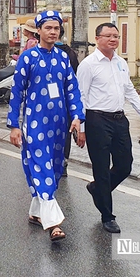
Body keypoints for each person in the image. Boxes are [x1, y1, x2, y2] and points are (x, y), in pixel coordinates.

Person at [7, 10, 85, 242]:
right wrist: (14, 125)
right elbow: (17, 92)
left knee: (54, 167)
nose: (53, 32)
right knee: (41, 166)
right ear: (39, 30)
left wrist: (77, 116)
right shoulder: (28, 58)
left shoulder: (62, 58)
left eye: (56, 28)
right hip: (35, 122)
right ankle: (53, 224)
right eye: (48, 28)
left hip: (60, 123)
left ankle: (36, 211)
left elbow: (72, 89)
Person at [77, 22, 140, 234]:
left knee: (125, 165)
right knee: (102, 169)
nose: (113, 39)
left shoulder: (121, 63)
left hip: (119, 120)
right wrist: (82, 128)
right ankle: (107, 216)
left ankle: (97, 189)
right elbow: (81, 97)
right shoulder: (88, 64)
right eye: (109, 36)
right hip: (97, 120)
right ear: (98, 39)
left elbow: (130, 91)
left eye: (116, 36)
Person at [54, 26, 80, 178]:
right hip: (66, 100)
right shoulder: (71, 53)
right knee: (65, 134)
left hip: (49, 101)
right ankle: (63, 162)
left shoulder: (44, 52)